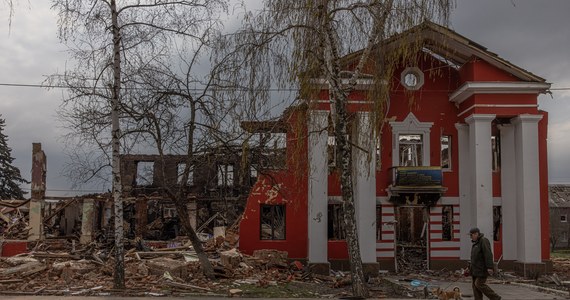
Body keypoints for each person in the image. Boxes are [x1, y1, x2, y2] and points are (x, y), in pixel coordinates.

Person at [469, 227, 501, 300]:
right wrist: (469, 268)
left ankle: (496, 298)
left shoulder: (483, 241)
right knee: (475, 286)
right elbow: (474, 258)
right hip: (475, 269)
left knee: (479, 284)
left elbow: (488, 254)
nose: (470, 237)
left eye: (471, 235)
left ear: (476, 234)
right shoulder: (475, 243)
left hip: (482, 269)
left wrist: (490, 267)